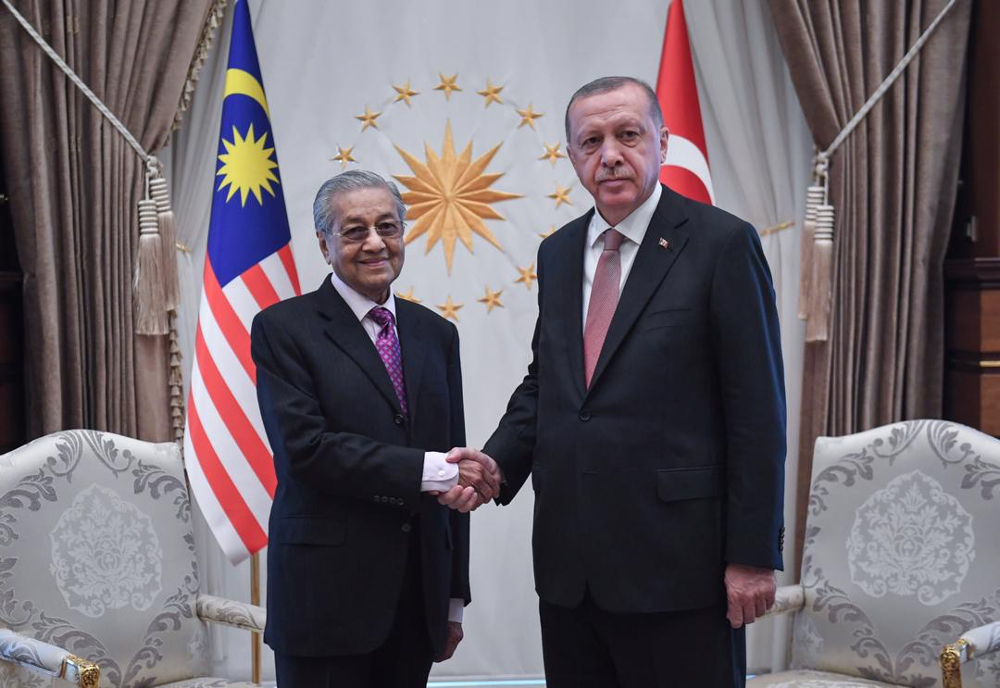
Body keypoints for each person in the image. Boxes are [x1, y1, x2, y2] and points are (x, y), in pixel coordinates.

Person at [442, 76, 786, 687]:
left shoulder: (721, 244)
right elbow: (551, 385)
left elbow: (758, 413)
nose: (610, 155)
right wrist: (496, 463)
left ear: (662, 140)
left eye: (628, 135)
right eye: (591, 141)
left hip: (681, 568)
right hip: (571, 571)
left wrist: (753, 555)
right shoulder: (557, 252)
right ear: (573, 157)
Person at [251, 170, 498, 687]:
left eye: (387, 227)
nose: (374, 244)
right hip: (325, 604)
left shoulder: (436, 334)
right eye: (354, 230)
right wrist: (430, 469)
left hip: (416, 602)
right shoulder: (283, 329)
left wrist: (452, 599)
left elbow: (452, 471)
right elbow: (306, 452)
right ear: (324, 243)